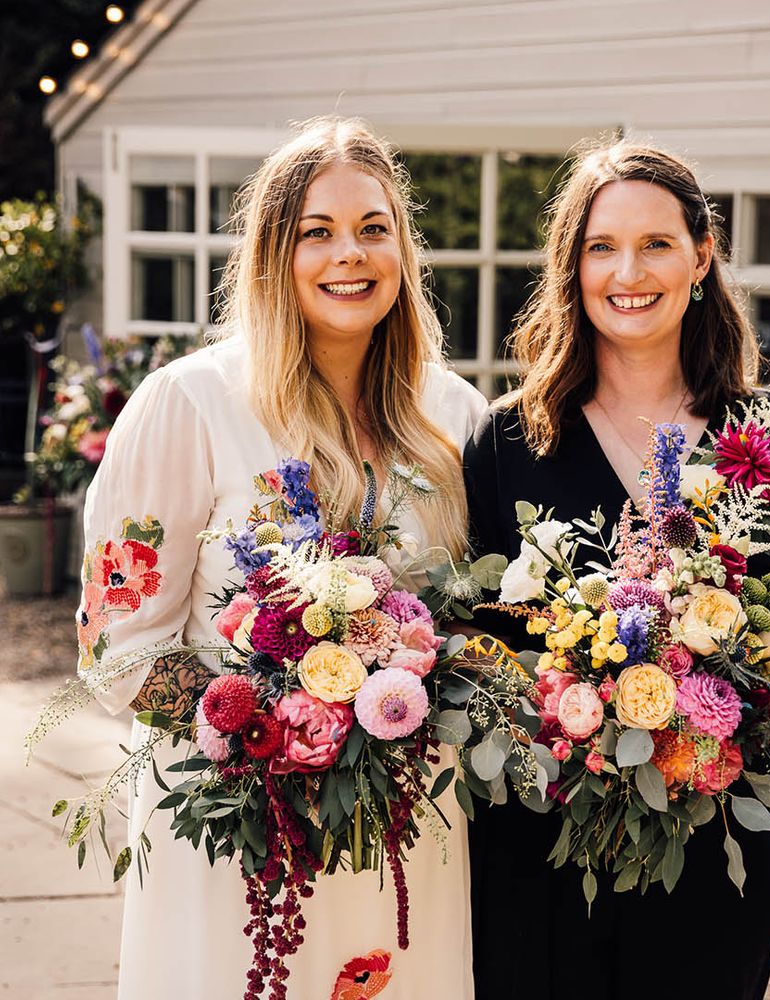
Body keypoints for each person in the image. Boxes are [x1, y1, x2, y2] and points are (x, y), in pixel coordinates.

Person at [76, 117, 485, 999]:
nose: (352, 254)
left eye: (375, 229)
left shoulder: (455, 418)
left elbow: (478, 630)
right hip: (237, 840)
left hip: (408, 836)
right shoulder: (190, 404)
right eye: (318, 232)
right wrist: (275, 726)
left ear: (403, 250)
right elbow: (116, 646)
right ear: (272, 253)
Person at [463, 140, 770, 1000]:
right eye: (601, 247)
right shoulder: (507, 442)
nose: (629, 272)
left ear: (702, 253)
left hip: (713, 847)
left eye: (656, 244)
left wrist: (728, 714)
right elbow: (469, 644)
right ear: (571, 267)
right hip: (538, 851)